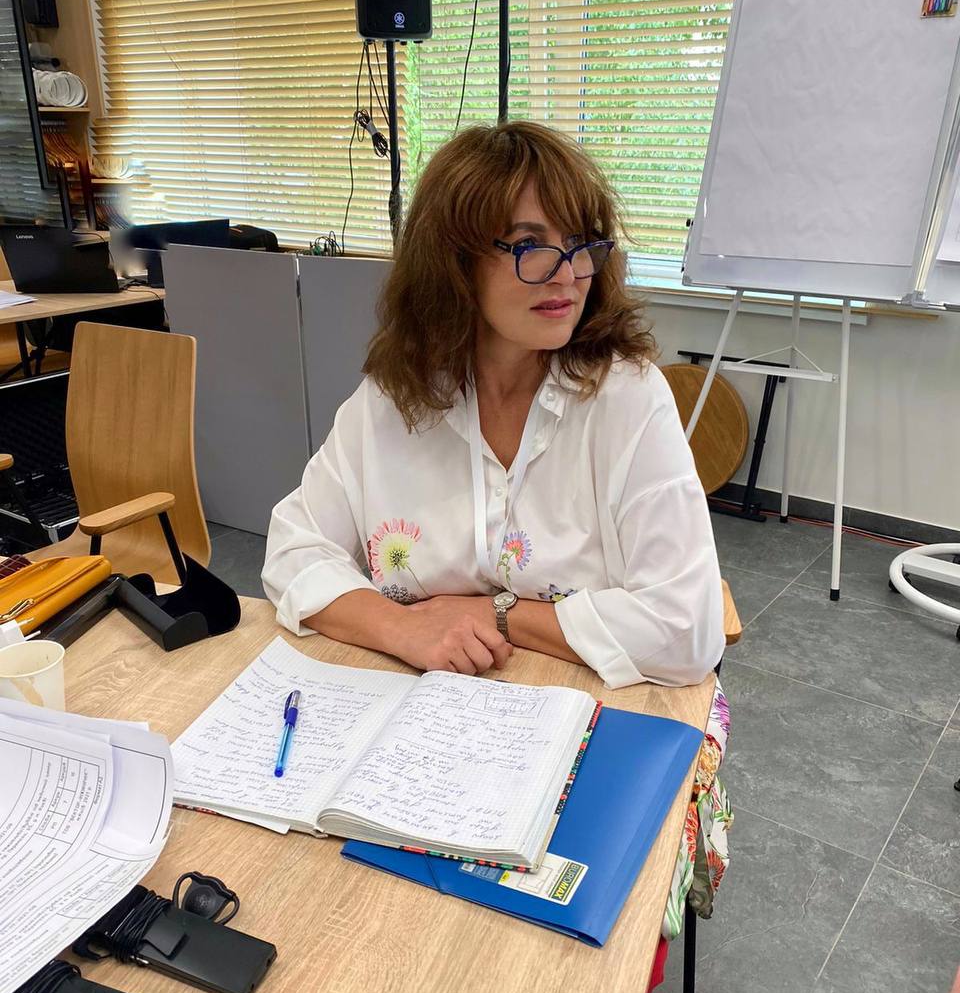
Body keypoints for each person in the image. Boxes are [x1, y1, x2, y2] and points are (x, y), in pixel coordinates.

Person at [263, 120, 725, 690]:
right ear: (453, 262)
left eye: (580, 243)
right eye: (530, 246)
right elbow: (292, 551)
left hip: (585, 703)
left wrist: (495, 614)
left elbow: (687, 629)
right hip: (425, 705)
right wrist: (402, 627)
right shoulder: (395, 398)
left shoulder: (626, 396)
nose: (568, 275)